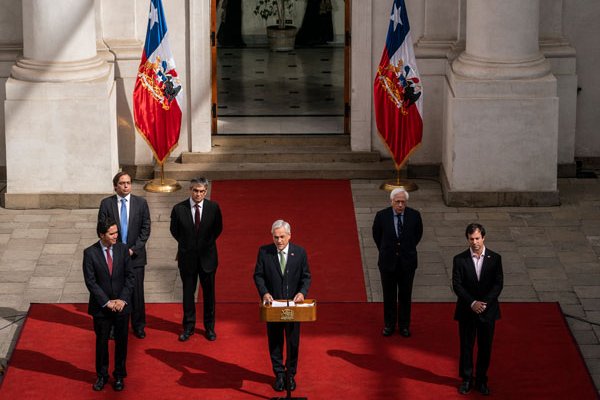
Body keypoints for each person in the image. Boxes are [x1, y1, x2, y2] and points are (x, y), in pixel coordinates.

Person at [253, 220, 311, 393]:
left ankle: (290, 375)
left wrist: (302, 292)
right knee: (275, 342)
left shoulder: (299, 253)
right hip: (274, 306)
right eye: (275, 237)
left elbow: (306, 276)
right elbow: (258, 276)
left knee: (293, 342)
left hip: (294, 306)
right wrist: (264, 293)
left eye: (282, 237)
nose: (278, 240)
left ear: (289, 236)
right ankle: (279, 374)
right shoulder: (264, 252)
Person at [83, 218, 135, 392]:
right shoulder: (90, 253)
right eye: (112, 233)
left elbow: (130, 277)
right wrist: (106, 302)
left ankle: (119, 375)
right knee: (101, 343)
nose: (116, 236)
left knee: (121, 343)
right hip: (101, 308)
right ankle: (102, 375)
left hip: (121, 306)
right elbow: (91, 282)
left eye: (116, 232)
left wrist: (122, 300)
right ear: (101, 235)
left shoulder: (122, 249)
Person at [98, 171, 151, 339]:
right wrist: (119, 249)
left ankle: (138, 325)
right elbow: (103, 228)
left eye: (128, 182)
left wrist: (133, 249)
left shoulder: (141, 203)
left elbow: (145, 228)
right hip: (115, 256)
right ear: (115, 186)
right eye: (122, 183)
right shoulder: (107, 204)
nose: (126, 185)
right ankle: (115, 327)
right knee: (115, 292)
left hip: (135, 256)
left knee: (136, 292)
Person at [452, 223, 503, 396]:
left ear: (483, 238)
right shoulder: (459, 259)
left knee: (485, 347)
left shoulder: (495, 258)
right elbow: (457, 285)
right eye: (471, 239)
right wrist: (472, 303)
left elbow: (498, 284)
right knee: (466, 346)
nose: (475, 242)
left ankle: (481, 380)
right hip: (467, 311)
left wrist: (484, 303)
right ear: (467, 239)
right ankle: (467, 379)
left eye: (477, 238)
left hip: (488, 312)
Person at [170, 177, 223, 342]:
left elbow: (217, 229)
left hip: (208, 259)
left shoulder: (213, 208)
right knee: (187, 294)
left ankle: (209, 327)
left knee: (209, 295)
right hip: (187, 259)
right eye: (195, 190)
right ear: (190, 190)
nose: (198, 194)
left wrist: (203, 244)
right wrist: (188, 245)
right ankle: (188, 327)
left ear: (206, 192)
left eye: (201, 191)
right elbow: (175, 231)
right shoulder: (179, 209)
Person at [372, 187, 423, 337]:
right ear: (391, 201)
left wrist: (406, 250)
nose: (400, 205)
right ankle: (389, 324)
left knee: (405, 295)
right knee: (389, 295)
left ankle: (404, 326)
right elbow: (377, 236)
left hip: (407, 263)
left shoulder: (414, 216)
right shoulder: (382, 216)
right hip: (388, 263)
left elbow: (417, 235)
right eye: (397, 202)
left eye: (403, 202)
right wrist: (387, 250)